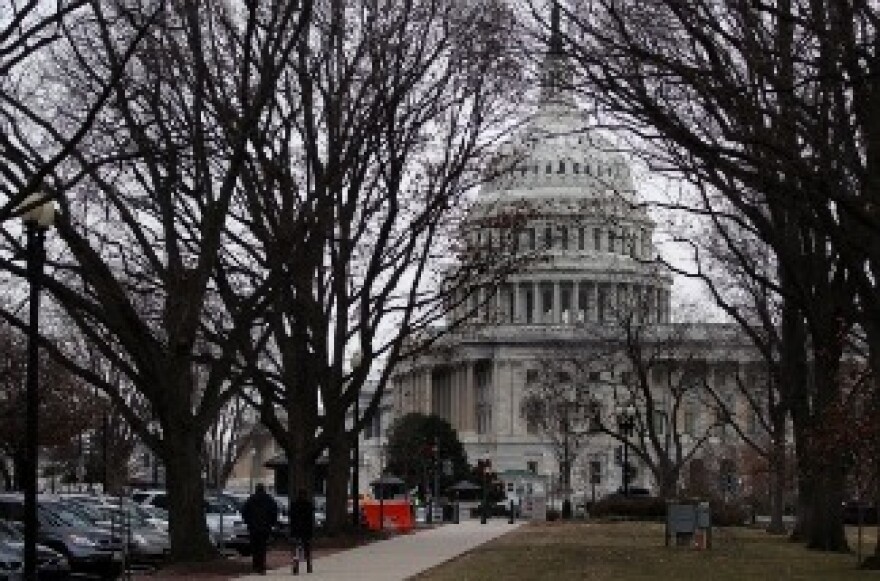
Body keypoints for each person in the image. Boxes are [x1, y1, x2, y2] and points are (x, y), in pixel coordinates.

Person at [241, 483, 279, 575]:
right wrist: (271, 523)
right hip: (265, 527)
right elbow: (274, 512)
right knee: (262, 547)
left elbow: (244, 511)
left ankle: (255, 565)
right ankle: (261, 566)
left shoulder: (251, 499)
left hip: (253, 527)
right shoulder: (269, 500)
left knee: (255, 547)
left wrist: (248, 522)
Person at [289, 488, 315, 574]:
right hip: (306, 530)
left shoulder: (294, 505)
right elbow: (311, 520)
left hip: (296, 530)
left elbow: (291, 518)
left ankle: (295, 566)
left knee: (296, 548)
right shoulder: (309, 505)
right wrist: (311, 531)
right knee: (307, 548)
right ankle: (308, 565)